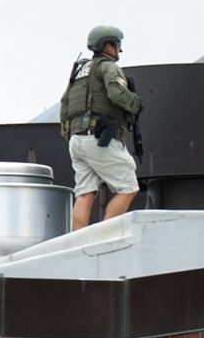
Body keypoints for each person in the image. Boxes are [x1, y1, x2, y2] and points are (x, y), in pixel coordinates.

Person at [60, 25, 142, 230]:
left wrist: (71, 133)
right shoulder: (108, 67)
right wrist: (135, 102)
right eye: (117, 44)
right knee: (129, 187)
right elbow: (117, 95)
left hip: (76, 140)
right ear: (107, 45)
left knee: (85, 193)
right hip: (98, 139)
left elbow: (64, 103)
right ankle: (104, 236)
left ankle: (77, 243)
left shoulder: (80, 71)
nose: (119, 50)